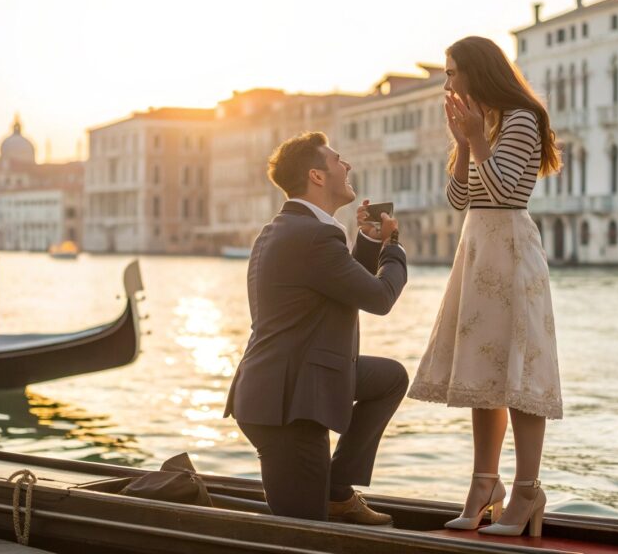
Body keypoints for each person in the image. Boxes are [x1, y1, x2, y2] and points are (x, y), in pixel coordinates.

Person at [407, 36, 564, 538]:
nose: (448, 82)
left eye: (453, 72)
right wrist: (461, 142)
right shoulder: (486, 121)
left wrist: (476, 139)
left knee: (519, 374)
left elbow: (504, 192)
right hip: (477, 250)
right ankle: (483, 485)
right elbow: (460, 198)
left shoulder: (520, 117)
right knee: (482, 372)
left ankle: (527, 490)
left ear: (477, 71)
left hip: (511, 251)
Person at [224, 131, 408, 524]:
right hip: (287, 407)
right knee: (306, 529)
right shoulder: (314, 235)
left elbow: (337, 285)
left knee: (389, 378)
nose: (348, 166)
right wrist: (394, 247)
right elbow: (378, 298)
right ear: (318, 176)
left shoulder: (290, 228)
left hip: (298, 381)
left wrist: (368, 242)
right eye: (338, 159)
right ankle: (331, 501)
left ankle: (338, 491)